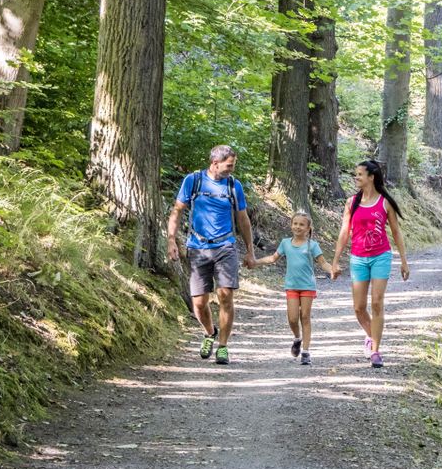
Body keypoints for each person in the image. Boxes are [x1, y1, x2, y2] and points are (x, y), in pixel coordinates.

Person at [166, 144, 256, 365]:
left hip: (226, 246)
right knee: (198, 302)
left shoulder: (234, 186)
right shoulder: (193, 181)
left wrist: (250, 250)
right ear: (215, 163)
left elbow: (243, 219)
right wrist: (171, 240)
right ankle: (209, 333)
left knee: (225, 294)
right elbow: (177, 211)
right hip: (197, 247)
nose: (231, 170)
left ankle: (223, 347)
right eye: (229, 165)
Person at [329, 158, 410, 366]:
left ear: (371, 177)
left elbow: (396, 232)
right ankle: (371, 335)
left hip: (381, 256)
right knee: (358, 307)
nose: (356, 177)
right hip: (358, 258)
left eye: (360, 174)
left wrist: (403, 260)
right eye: (355, 174)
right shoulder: (351, 202)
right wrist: (335, 261)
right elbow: (344, 232)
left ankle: (375, 352)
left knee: (376, 302)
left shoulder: (384, 202)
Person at [257, 212, 331, 366]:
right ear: (291, 225)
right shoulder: (285, 243)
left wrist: (332, 269)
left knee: (305, 316)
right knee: (292, 318)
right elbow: (272, 258)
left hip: (307, 286)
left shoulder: (312, 245)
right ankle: (297, 338)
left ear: (308, 228)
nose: (298, 227)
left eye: (301, 224)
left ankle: (306, 351)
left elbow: (323, 263)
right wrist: (255, 262)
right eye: (295, 223)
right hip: (291, 286)